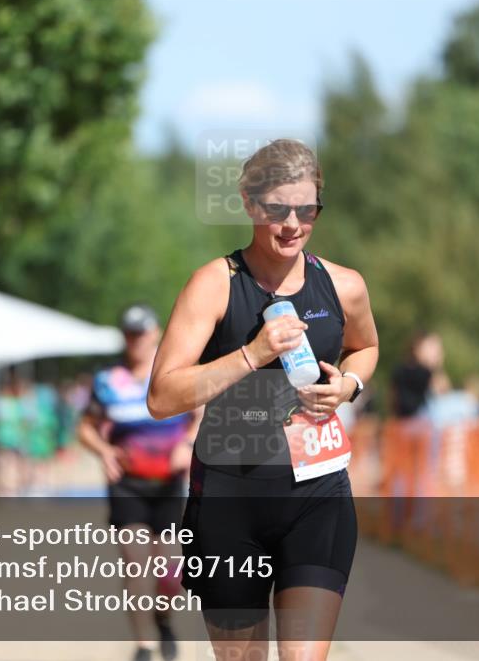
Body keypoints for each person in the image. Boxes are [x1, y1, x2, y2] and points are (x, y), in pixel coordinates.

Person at [147, 139, 379, 661]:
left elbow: (366, 346)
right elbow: (162, 397)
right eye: (278, 209)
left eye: (307, 209)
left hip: (317, 497)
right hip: (229, 501)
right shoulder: (214, 285)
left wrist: (348, 385)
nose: (293, 223)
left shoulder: (343, 286)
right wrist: (250, 355)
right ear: (251, 205)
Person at [77, 303, 202, 661]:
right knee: (136, 567)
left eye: (141, 332)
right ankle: (145, 643)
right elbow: (84, 428)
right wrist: (103, 451)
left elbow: (202, 413)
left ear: (156, 333)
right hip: (127, 485)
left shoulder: (172, 375)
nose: (136, 340)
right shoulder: (107, 380)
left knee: (171, 576)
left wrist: (187, 442)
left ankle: (162, 618)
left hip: (168, 486)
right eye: (129, 333)